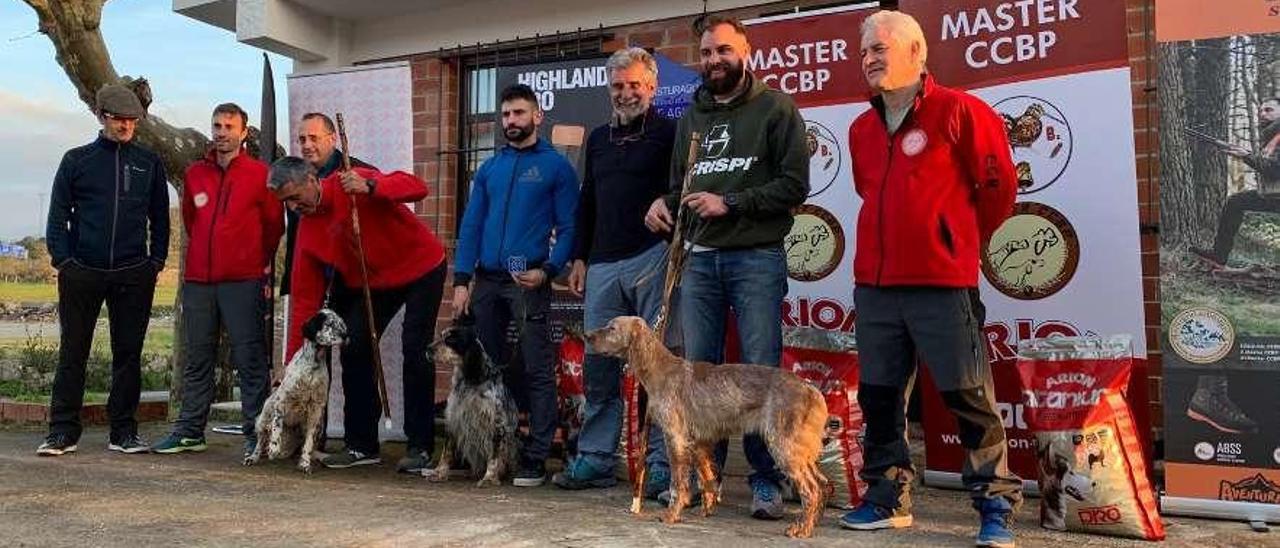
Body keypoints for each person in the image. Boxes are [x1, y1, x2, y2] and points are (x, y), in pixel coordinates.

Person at [838, 11, 1022, 548]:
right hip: (874, 286)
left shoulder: (960, 111)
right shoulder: (860, 128)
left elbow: (998, 189)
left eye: (879, 48)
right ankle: (886, 497)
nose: (869, 58)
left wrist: (954, 241)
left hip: (943, 283)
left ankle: (994, 505)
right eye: (864, 51)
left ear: (916, 51)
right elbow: (871, 193)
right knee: (878, 397)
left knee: (968, 396)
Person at [642, 15, 809, 519]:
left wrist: (730, 203)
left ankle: (765, 480)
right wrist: (663, 204)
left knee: (760, 371)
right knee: (697, 377)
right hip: (698, 259)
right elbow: (681, 184)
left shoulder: (777, 109)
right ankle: (701, 480)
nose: (715, 60)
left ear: (746, 52)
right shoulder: (693, 117)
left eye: (724, 51)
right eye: (708, 53)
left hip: (755, 257)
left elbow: (794, 186)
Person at [269, 151, 447, 474]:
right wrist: (292, 360)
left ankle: (420, 445)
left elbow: (417, 187)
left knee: (415, 347)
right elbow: (305, 304)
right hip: (373, 281)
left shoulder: (351, 181)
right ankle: (362, 444)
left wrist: (372, 185)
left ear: (311, 180)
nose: (294, 207)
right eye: (287, 203)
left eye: (295, 197)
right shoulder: (307, 231)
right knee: (354, 345)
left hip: (421, 266)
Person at [551, 48, 676, 491]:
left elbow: (681, 190)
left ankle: (663, 463)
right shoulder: (598, 138)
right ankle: (596, 458)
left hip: (652, 257)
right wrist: (580, 256)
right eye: (618, 86)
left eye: (634, 85)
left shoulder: (670, 133)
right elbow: (588, 200)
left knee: (659, 368)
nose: (625, 93)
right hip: (603, 262)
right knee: (599, 367)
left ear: (652, 87)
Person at [452, 83, 579, 487]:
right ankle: (484, 452)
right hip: (487, 281)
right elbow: (471, 225)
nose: (511, 121)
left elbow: (570, 225)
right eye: (506, 115)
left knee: (537, 368)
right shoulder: (490, 168)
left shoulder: (556, 166)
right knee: (481, 369)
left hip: (528, 280)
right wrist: (461, 279)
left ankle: (536, 457)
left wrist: (550, 268)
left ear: (537, 116)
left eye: (519, 113)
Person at [38, 83, 170, 456]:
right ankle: (62, 431)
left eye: (132, 120)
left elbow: (160, 218)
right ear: (100, 116)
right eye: (118, 119)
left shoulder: (149, 162)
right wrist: (64, 261)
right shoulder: (76, 161)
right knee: (72, 352)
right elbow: (58, 216)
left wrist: (155, 262)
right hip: (82, 271)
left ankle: (123, 432)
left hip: (133, 273)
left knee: (128, 354)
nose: (126, 126)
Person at [151, 103, 284, 459]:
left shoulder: (260, 174)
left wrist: (252, 262)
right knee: (198, 358)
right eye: (217, 125)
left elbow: (274, 226)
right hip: (199, 281)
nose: (222, 132)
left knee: (250, 359)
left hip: (243, 281)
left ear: (243, 132)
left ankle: (256, 433)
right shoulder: (195, 174)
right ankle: (190, 431)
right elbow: (193, 222)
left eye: (229, 126)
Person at [1191, 97, 1280, 268]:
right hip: (1274, 197)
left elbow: (1275, 169)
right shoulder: (1271, 137)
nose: (1262, 114)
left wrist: (1246, 156)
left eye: (1268, 110)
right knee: (1235, 203)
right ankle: (1218, 256)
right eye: (1260, 110)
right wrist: (1247, 155)